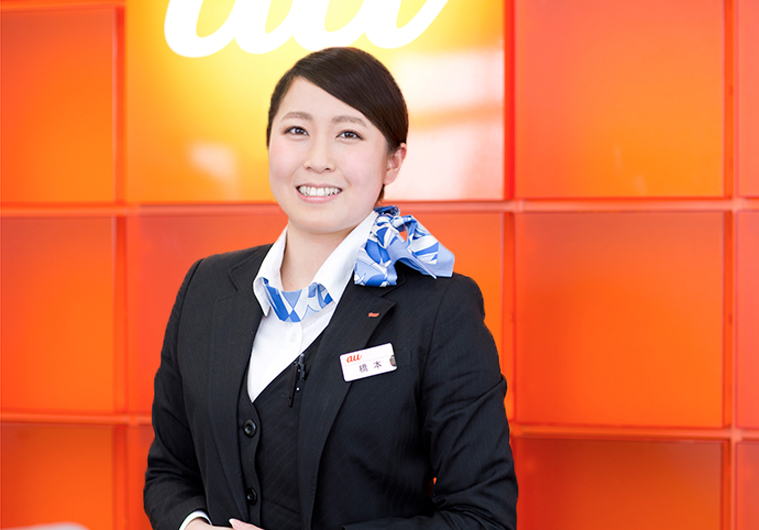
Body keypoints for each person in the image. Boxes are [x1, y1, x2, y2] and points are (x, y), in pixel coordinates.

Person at [144, 47, 517, 530]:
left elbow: (482, 517)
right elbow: (170, 472)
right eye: (297, 131)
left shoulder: (440, 309)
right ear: (269, 143)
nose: (317, 160)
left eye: (348, 134)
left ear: (393, 162)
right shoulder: (207, 287)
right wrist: (194, 526)